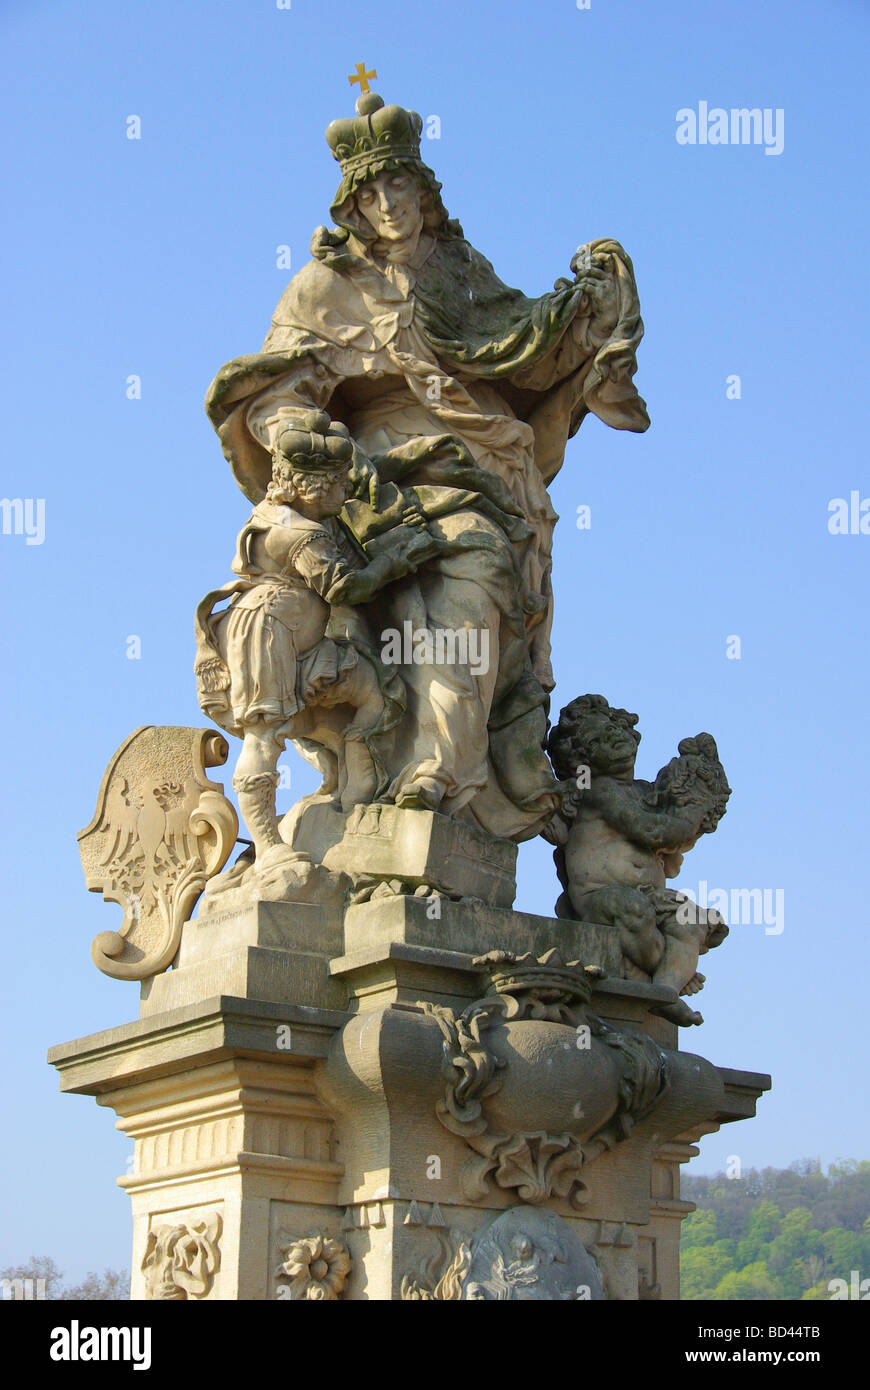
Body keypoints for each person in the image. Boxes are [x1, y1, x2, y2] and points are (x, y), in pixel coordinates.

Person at [204, 88, 649, 841]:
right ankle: (367, 773)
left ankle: (439, 771)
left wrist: (585, 308)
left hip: (468, 468)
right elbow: (274, 395)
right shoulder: (324, 286)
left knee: (474, 568)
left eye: (399, 184)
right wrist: (311, 440)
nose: (387, 204)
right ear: (352, 204)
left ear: (424, 189)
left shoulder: (460, 271)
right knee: (365, 591)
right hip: (363, 479)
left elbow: (523, 346)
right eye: (370, 191)